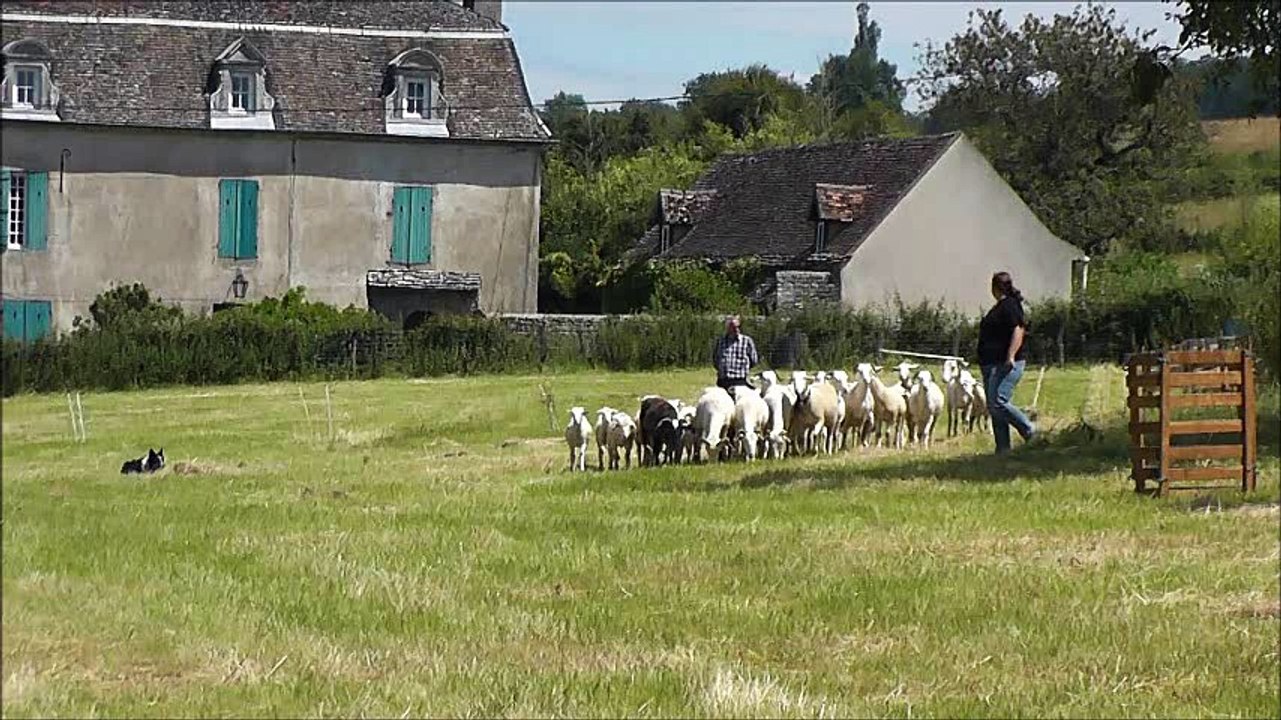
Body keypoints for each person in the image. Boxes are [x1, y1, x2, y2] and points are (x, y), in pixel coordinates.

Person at [977, 271, 1037, 454]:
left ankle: (1030, 430)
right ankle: (1003, 448)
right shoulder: (1000, 307)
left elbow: (1018, 330)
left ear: (994, 287)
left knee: (998, 402)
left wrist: (1010, 355)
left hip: (1005, 363)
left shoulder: (1010, 306)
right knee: (994, 408)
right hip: (990, 363)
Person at [712, 315, 759, 392]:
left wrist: (744, 368)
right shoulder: (720, 341)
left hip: (740, 381)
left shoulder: (747, 341)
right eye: (734, 327)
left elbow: (754, 360)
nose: (737, 329)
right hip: (723, 381)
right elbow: (715, 360)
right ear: (728, 328)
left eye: (738, 327)